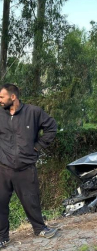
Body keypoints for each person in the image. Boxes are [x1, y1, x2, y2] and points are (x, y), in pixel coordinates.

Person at [0, 84, 58, 248]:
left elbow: (52, 128)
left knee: (31, 200)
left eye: (1, 97)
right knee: (0, 202)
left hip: (26, 167)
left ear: (13, 97)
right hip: (3, 168)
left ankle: (40, 228)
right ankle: (2, 237)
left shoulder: (33, 112)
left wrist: (38, 146)